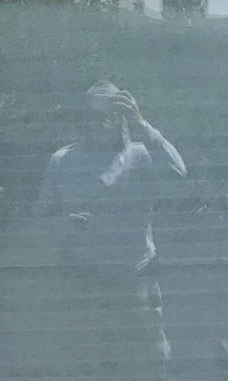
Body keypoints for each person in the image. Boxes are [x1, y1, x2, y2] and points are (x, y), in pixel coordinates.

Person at [36, 81, 188, 377]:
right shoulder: (62, 161)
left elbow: (178, 171)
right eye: (95, 115)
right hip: (82, 286)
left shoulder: (142, 155)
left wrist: (141, 122)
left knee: (149, 366)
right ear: (83, 117)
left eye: (113, 113)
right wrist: (63, 224)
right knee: (86, 368)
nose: (103, 122)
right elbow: (41, 221)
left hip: (136, 284)